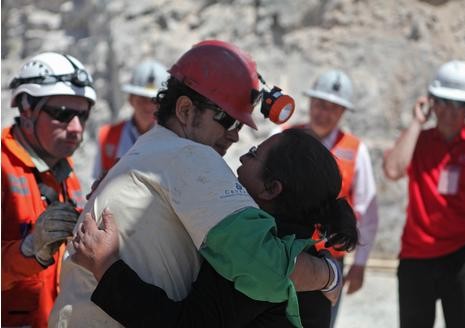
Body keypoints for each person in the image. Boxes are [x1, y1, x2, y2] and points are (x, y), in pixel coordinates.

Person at [49, 40, 339, 328]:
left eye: (239, 126)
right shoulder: (190, 156)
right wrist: (328, 274)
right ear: (186, 110)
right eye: (227, 121)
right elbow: (265, 267)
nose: (235, 136)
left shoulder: (151, 150)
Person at [71, 128, 358, 328]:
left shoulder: (250, 255)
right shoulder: (297, 246)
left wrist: (107, 268)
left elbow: (184, 325)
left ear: (271, 189)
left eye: (255, 154)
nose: (243, 156)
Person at [383, 60, 465, 328]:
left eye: (460, 104)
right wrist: (417, 123)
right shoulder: (418, 139)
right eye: (443, 101)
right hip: (417, 253)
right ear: (432, 102)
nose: (451, 111)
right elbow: (393, 170)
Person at [2, 52, 96, 328]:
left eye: (83, 115)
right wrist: (29, 249)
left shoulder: (64, 170)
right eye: (62, 114)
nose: (76, 128)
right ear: (26, 108)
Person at [285, 69, 379, 327]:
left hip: (330, 259)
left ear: (342, 113)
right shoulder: (286, 138)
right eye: (319, 104)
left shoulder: (355, 150)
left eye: (332, 108)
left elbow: (367, 211)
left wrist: (359, 264)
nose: (322, 113)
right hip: (284, 253)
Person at [93, 59, 169, 178]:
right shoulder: (107, 136)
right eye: (142, 98)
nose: (148, 106)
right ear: (130, 99)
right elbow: (96, 181)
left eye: (155, 100)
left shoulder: (171, 139)